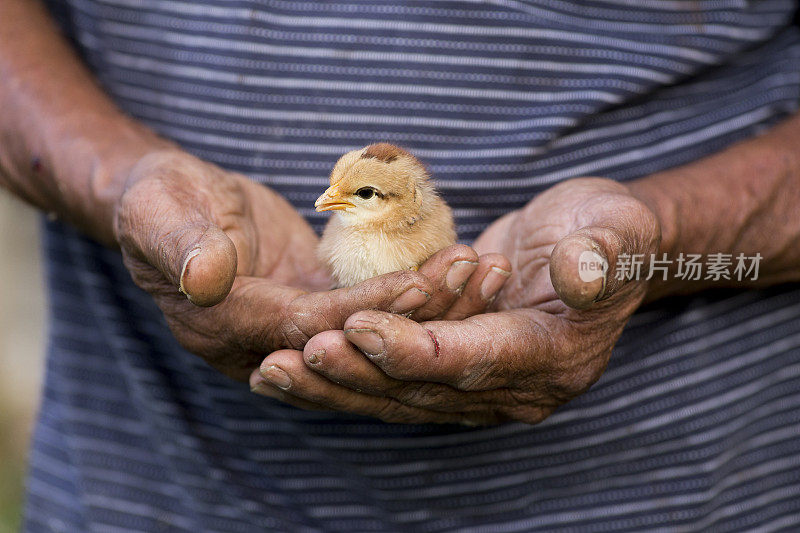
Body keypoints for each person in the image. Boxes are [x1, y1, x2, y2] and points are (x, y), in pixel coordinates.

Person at [2, 0, 799, 530]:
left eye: (361, 195)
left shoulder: (415, 226)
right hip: (142, 484)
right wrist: (117, 181)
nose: (332, 202)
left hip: (677, 489)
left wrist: (657, 235)